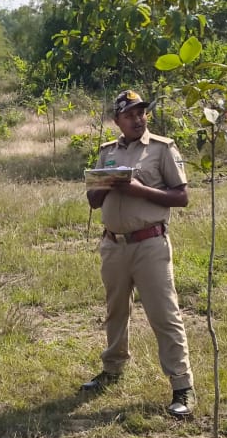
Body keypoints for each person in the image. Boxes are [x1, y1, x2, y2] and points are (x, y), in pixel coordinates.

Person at [81, 90, 196, 418]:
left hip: (150, 244)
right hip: (113, 245)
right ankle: (113, 368)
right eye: (129, 115)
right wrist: (104, 185)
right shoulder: (108, 152)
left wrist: (138, 189)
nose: (137, 120)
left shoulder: (161, 148)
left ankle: (182, 385)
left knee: (164, 314)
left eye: (141, 113)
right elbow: (93, 201)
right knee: (116, 310)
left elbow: (182, 197)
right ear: (117, 120)